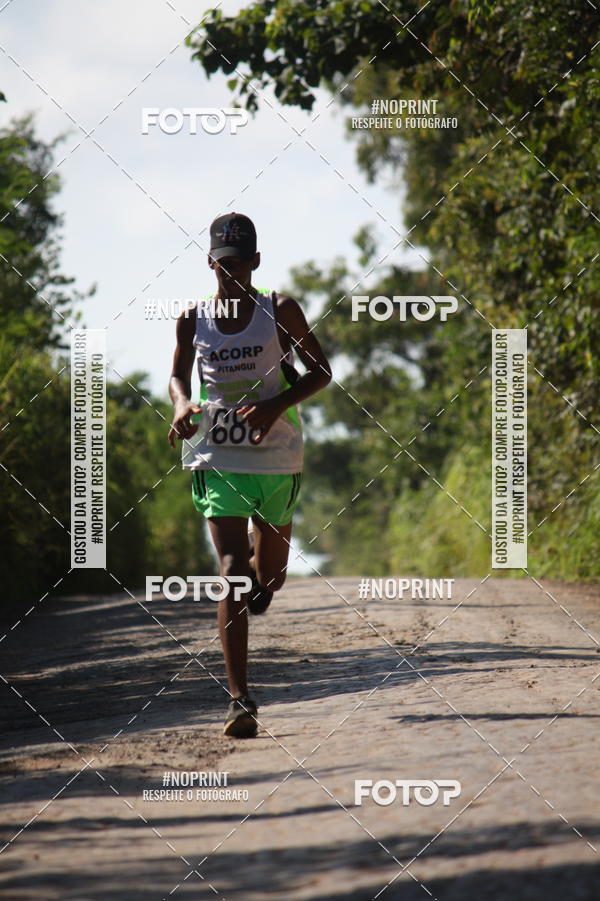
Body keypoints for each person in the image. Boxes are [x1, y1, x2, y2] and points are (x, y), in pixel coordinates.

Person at [168, 212, 331, 738]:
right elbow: (176, 373)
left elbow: (320, 372)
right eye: (221, 266)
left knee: (272, 575)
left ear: (255, 263)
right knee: (233, 567)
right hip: (218, 453)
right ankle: (239, 699)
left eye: (238, 265)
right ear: (210, 263)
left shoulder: (280, 310)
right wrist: (180, 403)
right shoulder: (193, 318)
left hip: (277, 455)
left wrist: (274, 407)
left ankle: (262, 583)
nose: (230, 274)